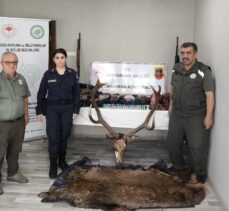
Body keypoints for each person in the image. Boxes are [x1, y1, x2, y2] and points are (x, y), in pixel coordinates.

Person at [167, 42, 215, 183]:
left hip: (196, 115)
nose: (185, 56)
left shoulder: (203, 71)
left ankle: (199, 175)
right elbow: (172, 88)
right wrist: (170, 105)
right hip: (177, 113)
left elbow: (210, 95)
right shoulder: (176, 68)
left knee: (197, 146)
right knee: (172, 144)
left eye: (188, 53)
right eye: (183, 53)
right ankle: (179, 168)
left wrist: (209, 116)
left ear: (195, 54)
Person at [36, 48, 80, 179]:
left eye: (62, 57)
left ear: (66, 58)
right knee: (53, 137)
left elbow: (77, 94)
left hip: (67, 108)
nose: (60, 60)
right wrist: (39, 111)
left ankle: (61, 160)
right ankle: (53, 165)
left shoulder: (72, 74)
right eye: (57, 57)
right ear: (53, 59)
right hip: (52, 109)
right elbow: (41, 93)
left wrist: (76, 110)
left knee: (64, 135)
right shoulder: (48, 74)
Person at [0, 52, 31, 195]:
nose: (12, 64)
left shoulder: (21, 78)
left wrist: (26, 114)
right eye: (8, 62)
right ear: (2, 63)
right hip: (2, 124)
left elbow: (25, 98)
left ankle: (13, 173)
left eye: (14, 62)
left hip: (19, 122)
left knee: (15, 150)